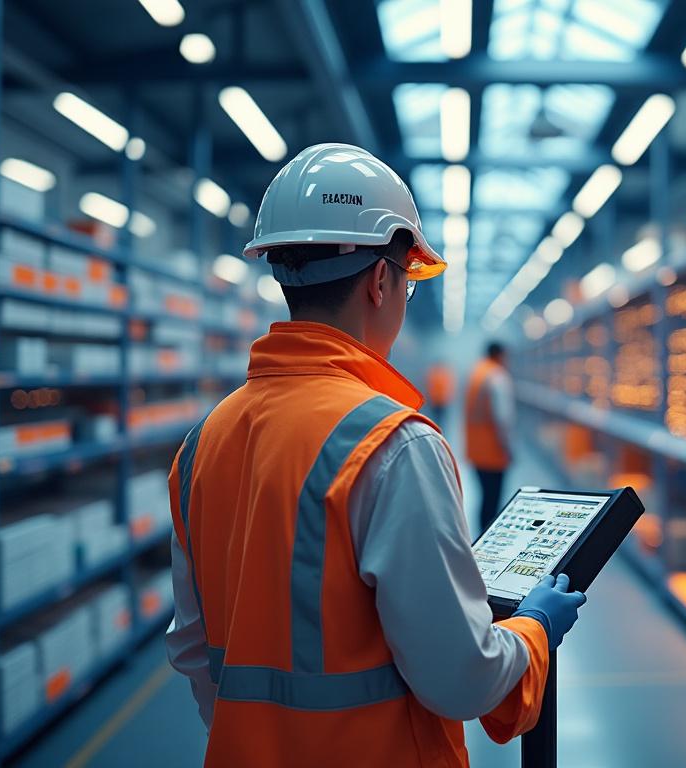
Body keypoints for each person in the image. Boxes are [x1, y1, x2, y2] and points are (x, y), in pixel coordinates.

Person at [164, 143, 586, 767]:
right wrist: (536, 633)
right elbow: (462, 676)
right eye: (409, 283)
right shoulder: (392, 444)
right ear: (383, 281)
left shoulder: (204, 442)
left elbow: (195, 650)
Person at [465, 341, 515, 533]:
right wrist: (508, 448)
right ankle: (489, 538)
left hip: (476, 450)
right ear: (500, 355)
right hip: (493, 451)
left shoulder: (477, 373)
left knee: (485, 497)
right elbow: (503, 417)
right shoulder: (497, 376)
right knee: (492, 500)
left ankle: (482, 535)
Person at [424, 360, 455, 427]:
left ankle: (439, 432)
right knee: (438, 420)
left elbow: (448, 388)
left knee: (439, 421)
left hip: (440, 402)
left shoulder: (435, 375)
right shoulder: (442, 375)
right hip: (438, 402)